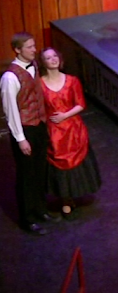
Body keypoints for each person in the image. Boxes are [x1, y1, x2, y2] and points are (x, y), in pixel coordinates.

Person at [1, 32, 58, 235]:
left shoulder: (33, 67)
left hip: (39, 124)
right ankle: (27, 218)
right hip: (24, 129)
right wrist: (21, 138)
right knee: (26, 175)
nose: (35, 50)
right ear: (18, 50)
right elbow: (11, 110)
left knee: (40, 169)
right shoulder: (10, 77)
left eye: (34, 46)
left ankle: (40, 208)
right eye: (30, 47)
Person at [39, 48, 102, 220]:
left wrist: (65, 115)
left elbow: (80, 103)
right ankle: (65, 199)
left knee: (76, 162)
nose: (52, 59)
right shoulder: (40, 84)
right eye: (48, 58)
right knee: (58, 162)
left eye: (54, 56)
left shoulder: (72, 80)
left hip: (72, 129)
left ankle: (73, 195)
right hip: (54, 132)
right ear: (43, 63)